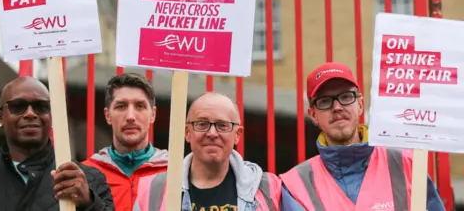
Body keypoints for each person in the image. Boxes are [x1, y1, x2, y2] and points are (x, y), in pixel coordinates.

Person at [279, 62, 446, 210]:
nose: (337, 107)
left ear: (360, 105)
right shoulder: (295, 185)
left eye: (345, 97)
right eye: (324, 101)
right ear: (313, 114)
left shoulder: (405, 165)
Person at [133, 92, 281, 210]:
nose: (211, 133)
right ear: (187, 132)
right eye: (202, 124)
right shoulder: (153, 191)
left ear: (237, 135)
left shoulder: (268, 189)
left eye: (222, 125)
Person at [0, 76, 114, 211]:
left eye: (41, 107)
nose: (30, 114)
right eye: (18, 106)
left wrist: (89, 203)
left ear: (52, 116)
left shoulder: (89, 180)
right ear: (0, 117)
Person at [83, 73, 168, 211]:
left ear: (153, 115)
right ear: (107, 115)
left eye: (139, 106)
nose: (130, 117)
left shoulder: (176, 173)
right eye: (121, 106)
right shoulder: (85, 175)